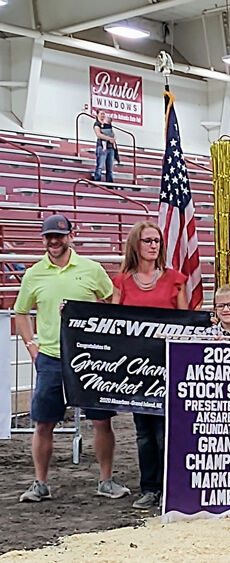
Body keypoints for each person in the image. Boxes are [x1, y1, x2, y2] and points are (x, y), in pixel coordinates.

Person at [14, 214, 130, 502]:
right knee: (43, 422)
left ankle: (106, 479)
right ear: (43, 239)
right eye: (49, 236)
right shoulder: (34, 273)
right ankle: (40, 482)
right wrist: (32, 346)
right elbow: (20, 311)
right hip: (52, 357)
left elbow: (112, 298)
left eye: (59, 236)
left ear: (70, 236)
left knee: (101, 420)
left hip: (89, 356)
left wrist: (104, 334)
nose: (54, 241)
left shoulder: (91, 269)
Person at [111, 221, 187, 509]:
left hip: (168, 365)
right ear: (136, 245)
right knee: (143, 432)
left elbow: (185, 320)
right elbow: (112, 323)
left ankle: (171, 487)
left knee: (166, 429)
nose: (153, 245)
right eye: (147, 241)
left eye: (157, 241)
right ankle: (149, 488)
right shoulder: (122, 283)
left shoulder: (175, 279)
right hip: (135, 369)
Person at [92, 110, 116, 183]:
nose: (103, 115)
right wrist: (109, 138)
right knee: (100, 166)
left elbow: (113, 133)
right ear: (97, 115)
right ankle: (97, 180)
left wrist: (112, 139)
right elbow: (99, 135)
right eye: (101, 114)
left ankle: (109, 183)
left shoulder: (108, 124)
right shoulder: (97, 124)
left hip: (110, 147)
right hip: (102, 146)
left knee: (110, 168)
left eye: (104, 114)